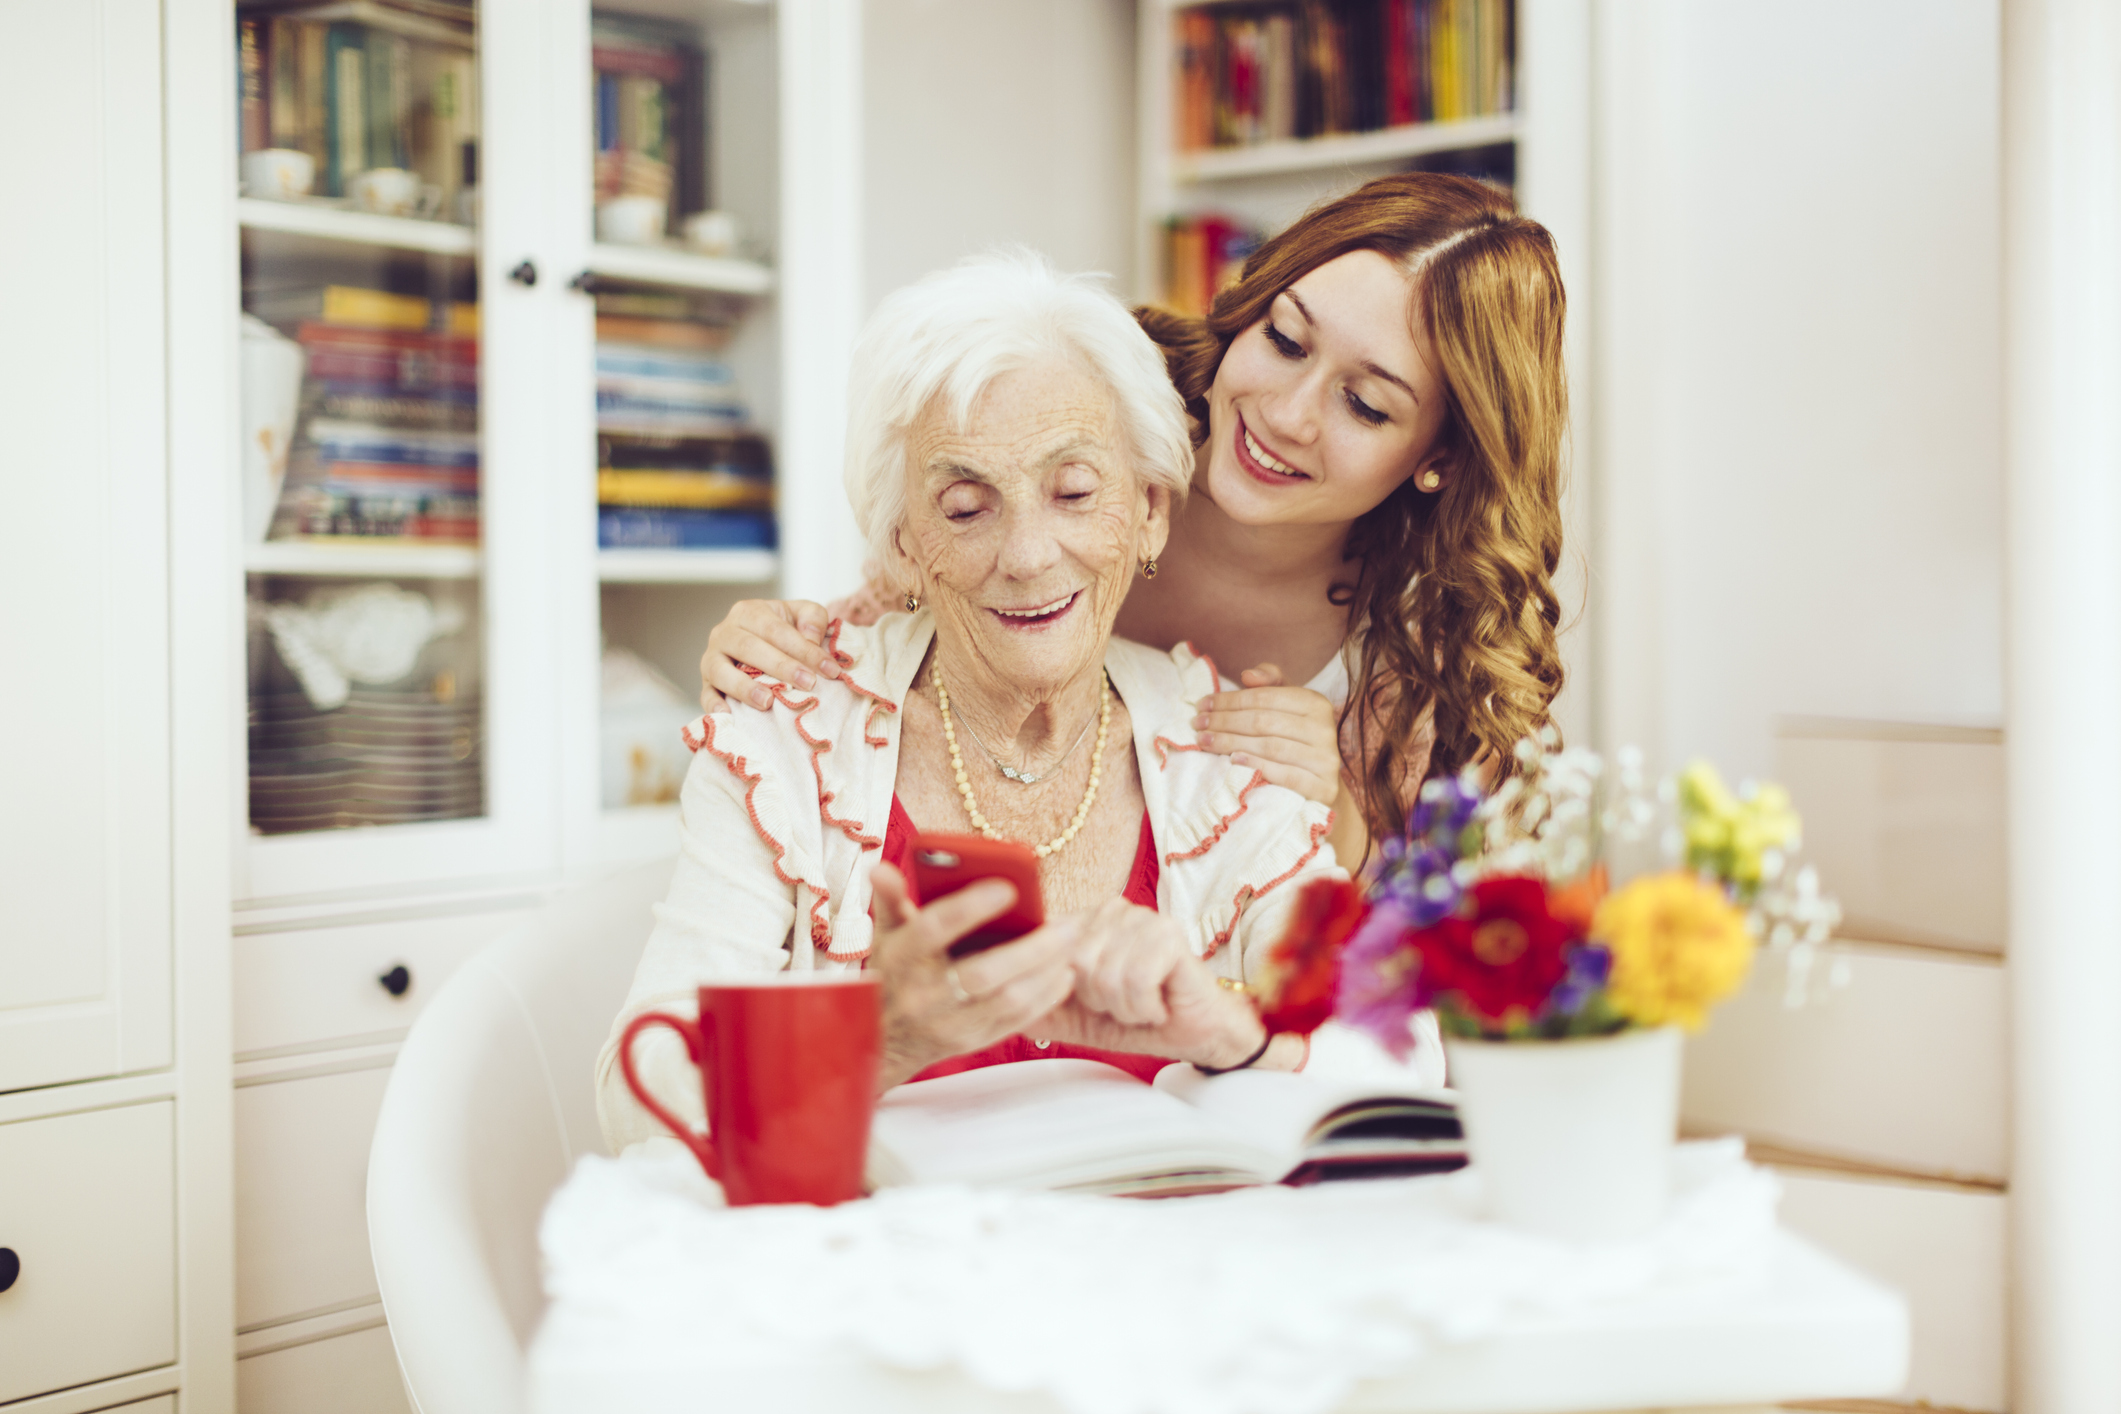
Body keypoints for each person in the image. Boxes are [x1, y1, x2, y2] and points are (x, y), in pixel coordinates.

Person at [597, 253, 1343, 1152]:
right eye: (963, 507)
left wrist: (1233, 1030)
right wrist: (883, 1035)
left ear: (1147, 511)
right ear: (903, 546)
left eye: (1073, 492)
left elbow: (1396, 1049)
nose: (1027, 553)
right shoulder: (787, 733)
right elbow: (636, 1107)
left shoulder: (1219, 746)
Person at [696, 172, 1570, 870]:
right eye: (1285, 340)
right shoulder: (1093, 421)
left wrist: (1344, 828)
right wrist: (769, 652)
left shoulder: (1430, 659)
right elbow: (897, 619)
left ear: (1441, 458)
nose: (1286, 413)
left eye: (1365, 405)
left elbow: (1430, 986)